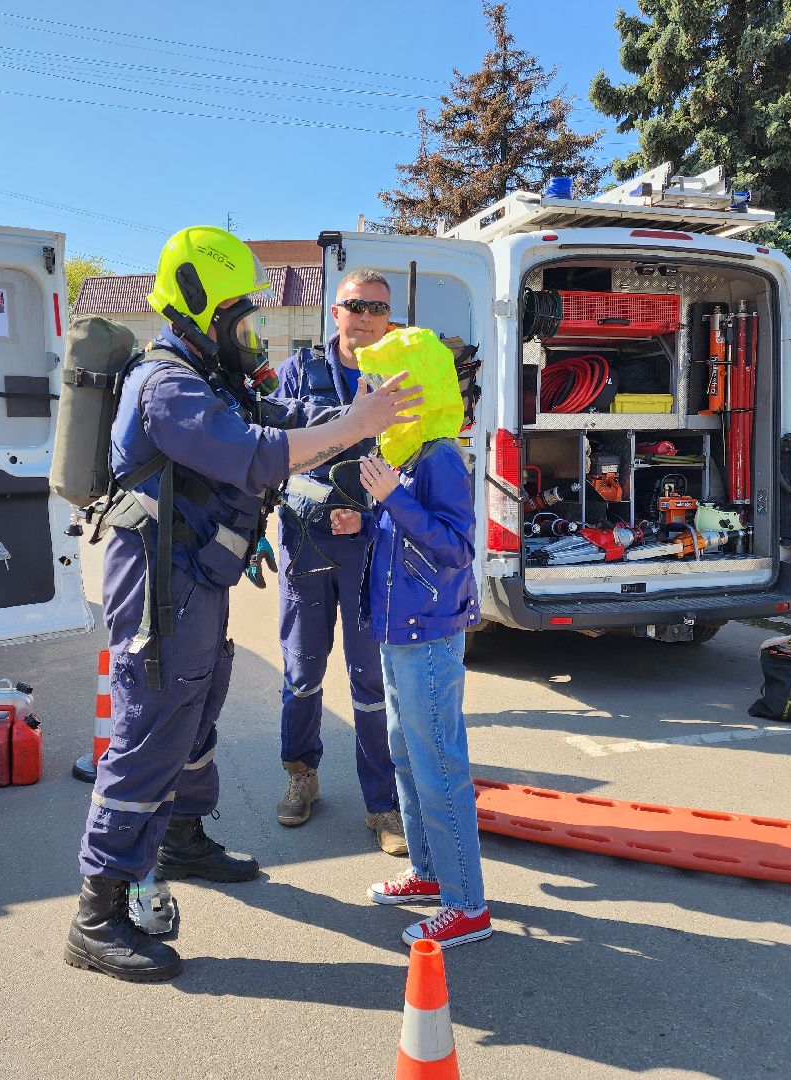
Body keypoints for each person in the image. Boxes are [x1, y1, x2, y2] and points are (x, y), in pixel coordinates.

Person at [66, 227, 420, 983]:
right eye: (242, 318)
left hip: (197, 577)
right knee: (149, 733)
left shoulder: (208, 374)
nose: (252, 333)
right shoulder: (168, 385)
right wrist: (354, 428)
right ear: (200, 311)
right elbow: (256, 453)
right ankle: (96, 915)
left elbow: (272, 420)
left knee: (196, 713)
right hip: (161, 590)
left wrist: (343, 411)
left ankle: (182, 837)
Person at [353, 332, 491, 950]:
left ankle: (467, 905)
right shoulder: (409, 455)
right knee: (407, 757)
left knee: (437, 766)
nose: (368, 394)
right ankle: (431, 874)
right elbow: (410, 537)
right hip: (401, 632)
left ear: (412, 391)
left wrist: (393, 500)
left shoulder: (437, 457)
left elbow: (457, 547)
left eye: (380, 384)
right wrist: (368, 514)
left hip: (427, 636)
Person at [270, 268, 406, 856]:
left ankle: (383, 803)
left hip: (368, 547)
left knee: (370, 680)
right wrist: (320, 497)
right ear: (335, 311)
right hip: (304, 541)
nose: (365, 316)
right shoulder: (299, 372)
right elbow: (268, 445)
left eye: (376, 308)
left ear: (388, 316)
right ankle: (301, 774)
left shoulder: (401, 377)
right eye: (355, 305)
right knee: (302, 674)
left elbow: (413, 467)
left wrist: (368, 519)